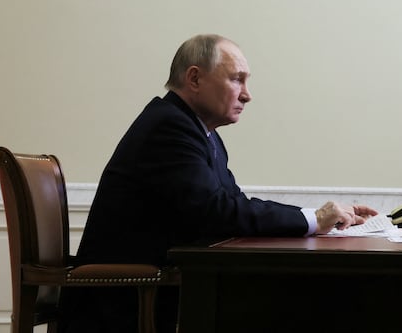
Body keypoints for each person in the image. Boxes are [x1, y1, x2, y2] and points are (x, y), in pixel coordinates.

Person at [60, 34, 378, 332]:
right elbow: (215, 210)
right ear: (195, 78)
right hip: (130, 300)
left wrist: (317, 217)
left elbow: (232, 202)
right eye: (236, 78)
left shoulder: (200, 131)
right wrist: (313, 219)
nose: (247, 94)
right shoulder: (169, 127)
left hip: (169, 285)